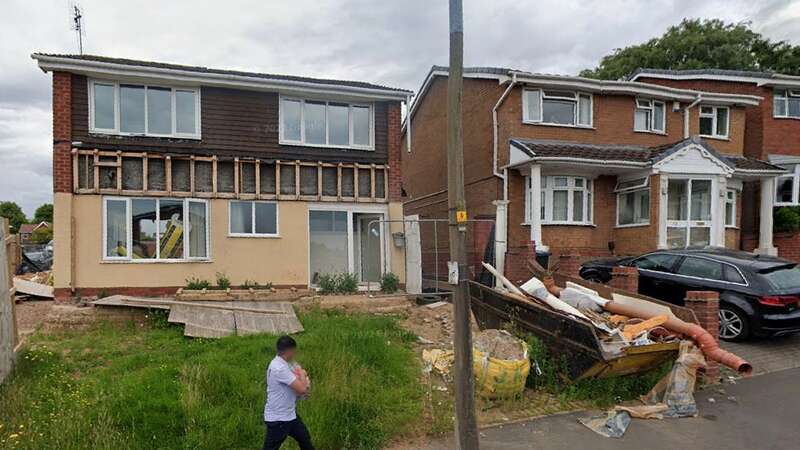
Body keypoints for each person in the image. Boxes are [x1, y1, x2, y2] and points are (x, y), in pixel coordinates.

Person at [263, 335, 314, 450]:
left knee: (305, 438)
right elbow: (302, 389)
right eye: (294, 351)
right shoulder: (280, 368)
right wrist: (302, 374)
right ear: (290, 350)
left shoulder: (282, 363)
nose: (294, 354)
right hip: (279, 419)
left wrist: (302, 379)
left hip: (290, 415)